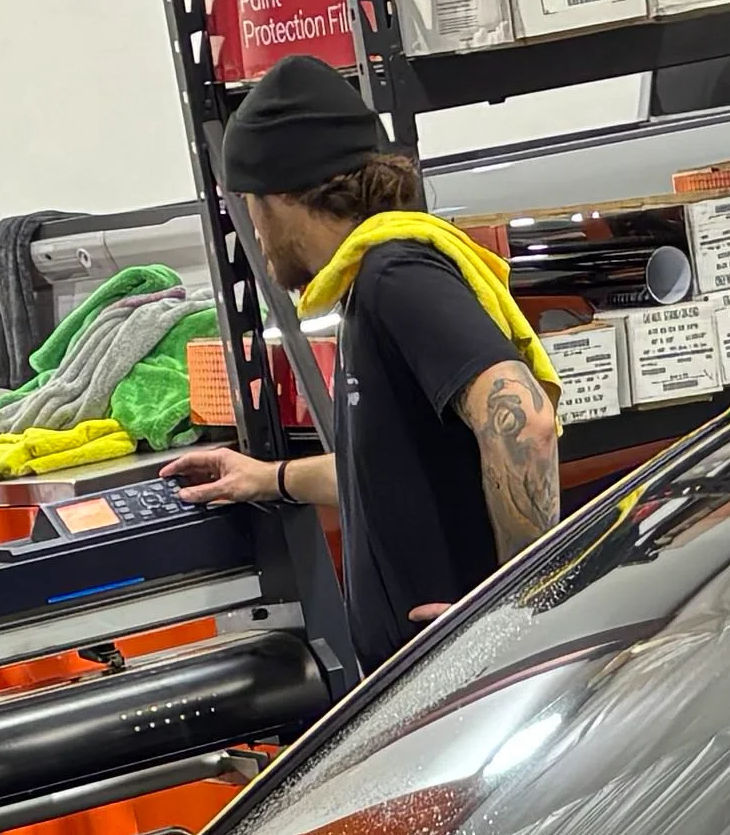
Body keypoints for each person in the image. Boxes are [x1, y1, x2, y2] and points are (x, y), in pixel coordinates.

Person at [161, 49, 561, 673]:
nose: (255, 235)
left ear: (282, 197)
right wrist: (267, 478)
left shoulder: (393, 273)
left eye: (251, 207)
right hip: (437, 670)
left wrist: (517, 603)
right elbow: (391, 474)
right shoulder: (365, 285)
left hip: (466, 672)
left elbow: (524, 419)